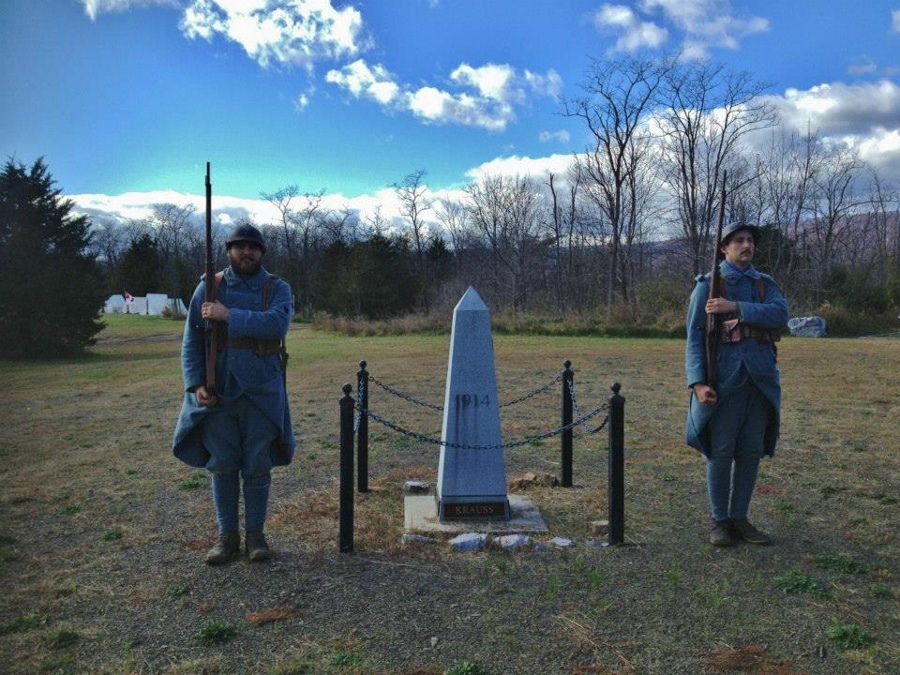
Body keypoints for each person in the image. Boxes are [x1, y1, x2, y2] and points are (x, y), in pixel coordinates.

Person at [173, 223, 294, 564]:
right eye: (239, 246)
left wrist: (228, 315)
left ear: (261, 252)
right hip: (220, 389)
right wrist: (196, 384)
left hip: (263, 390)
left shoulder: (277, 288)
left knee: (258, 464)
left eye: (253, 247)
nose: (246, 252)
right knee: (223, 464)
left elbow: (276, 325)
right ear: (228, 250)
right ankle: (227, 537)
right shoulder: (209, 287)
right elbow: (192, 340)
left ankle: (256, 537)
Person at [685, 221, 789, 547]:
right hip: (724, 380)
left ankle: (740, 519)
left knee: (751, 451)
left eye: (750, 241)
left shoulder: (764, 284)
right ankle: (720, 521)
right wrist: (698, 383)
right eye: (739, 241)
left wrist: (737, 308)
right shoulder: (708, 286)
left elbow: (779, 314)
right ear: (724, 247)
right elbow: (694, 338)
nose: (747, 246)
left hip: (760, 381)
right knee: (721, 450)